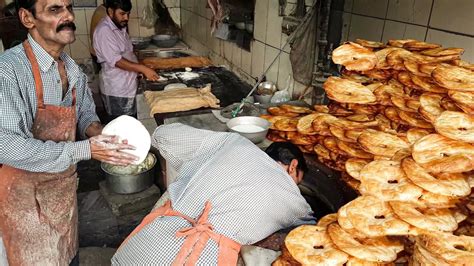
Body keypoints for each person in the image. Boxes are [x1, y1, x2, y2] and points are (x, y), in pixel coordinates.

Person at [0, 0, 139, 265]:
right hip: (25, 202)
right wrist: (86, 149)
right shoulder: (8, 71)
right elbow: (5, 145)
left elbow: (84, 113)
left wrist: (100, 132)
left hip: (62, 196)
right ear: (27, 18)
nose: (67, 16)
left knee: (67, 256)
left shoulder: (71, 68)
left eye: (69, 8)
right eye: (55, 10)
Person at [112, 123, 314, 265]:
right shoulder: (295, 201)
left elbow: (163, 135)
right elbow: (313, 233)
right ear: (293, 166)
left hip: (138, 251)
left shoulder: (232, 143)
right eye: (298, 180)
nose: (294, 187)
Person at [93, 0, 159, 122]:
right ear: (110, 11)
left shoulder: (119, 27)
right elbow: (117, 61)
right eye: (122, 14)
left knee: (131, 124)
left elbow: (127, 53)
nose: (126, 18)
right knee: (120, 129)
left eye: (128, 14)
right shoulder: (104, 31)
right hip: (117, 90)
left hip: (127, 86)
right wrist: (142, 69)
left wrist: (139, 68)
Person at [89, 1, 106, 73]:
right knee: (105, 79)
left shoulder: (102, 9)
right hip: (100, 54)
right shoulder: (102, 12)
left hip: (99, 53)